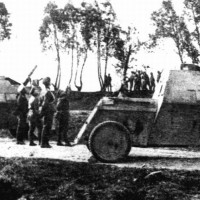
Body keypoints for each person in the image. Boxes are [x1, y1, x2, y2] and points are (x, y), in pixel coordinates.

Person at [40, 77, 55, 148]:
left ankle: (44, 143)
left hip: (47, 110)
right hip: (48, 111)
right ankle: (44, 143)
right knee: (47, 127)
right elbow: (45, 103)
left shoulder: (43, 91)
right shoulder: (47, 92)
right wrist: (44, 111)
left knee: (46, 126)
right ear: (48, 83)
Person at [15, 79, 30, 145]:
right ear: (22, 91)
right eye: (24, 89)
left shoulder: (22, 96)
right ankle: (19, 140)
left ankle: (20, 140)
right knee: (20, 126)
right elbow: (20, 106)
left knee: (21, 126)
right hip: (21, 113)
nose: (26, 90)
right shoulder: (21, 97)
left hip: (23, 113)